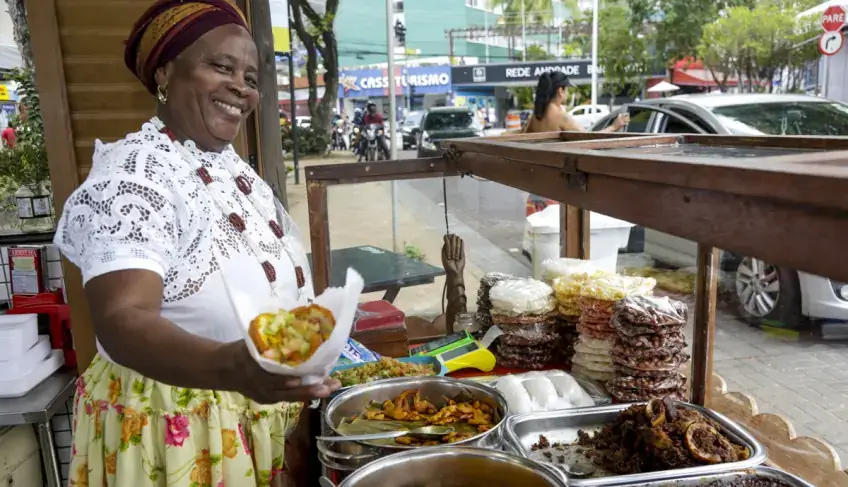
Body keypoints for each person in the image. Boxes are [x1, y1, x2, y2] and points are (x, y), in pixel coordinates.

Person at [53, 1, 340, 486]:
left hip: (253, 415)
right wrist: (229, 365)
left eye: (250, 77)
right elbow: (123, 318)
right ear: (165, 71)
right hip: (174, 431)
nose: (241, 88)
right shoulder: (134, 174)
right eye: (220, 66)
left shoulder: (232, 171)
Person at [522, 71, 630, 133]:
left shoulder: (536, 114)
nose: (568, 93)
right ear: (560, 91)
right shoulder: (560, 116)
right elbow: (589, 138)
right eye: (567, 89)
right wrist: (614, 126)